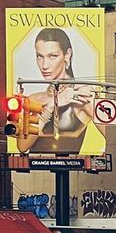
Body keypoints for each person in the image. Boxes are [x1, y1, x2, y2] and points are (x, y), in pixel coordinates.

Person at [16, 27, 98, 155]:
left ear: (67, 55)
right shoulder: (33, 100)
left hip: (74, 169)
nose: (44, 65)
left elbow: (114, 136)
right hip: (35, 170)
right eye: (40, 57)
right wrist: (51, 106)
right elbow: (22, 146)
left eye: (52, 56)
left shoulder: (82, 96)